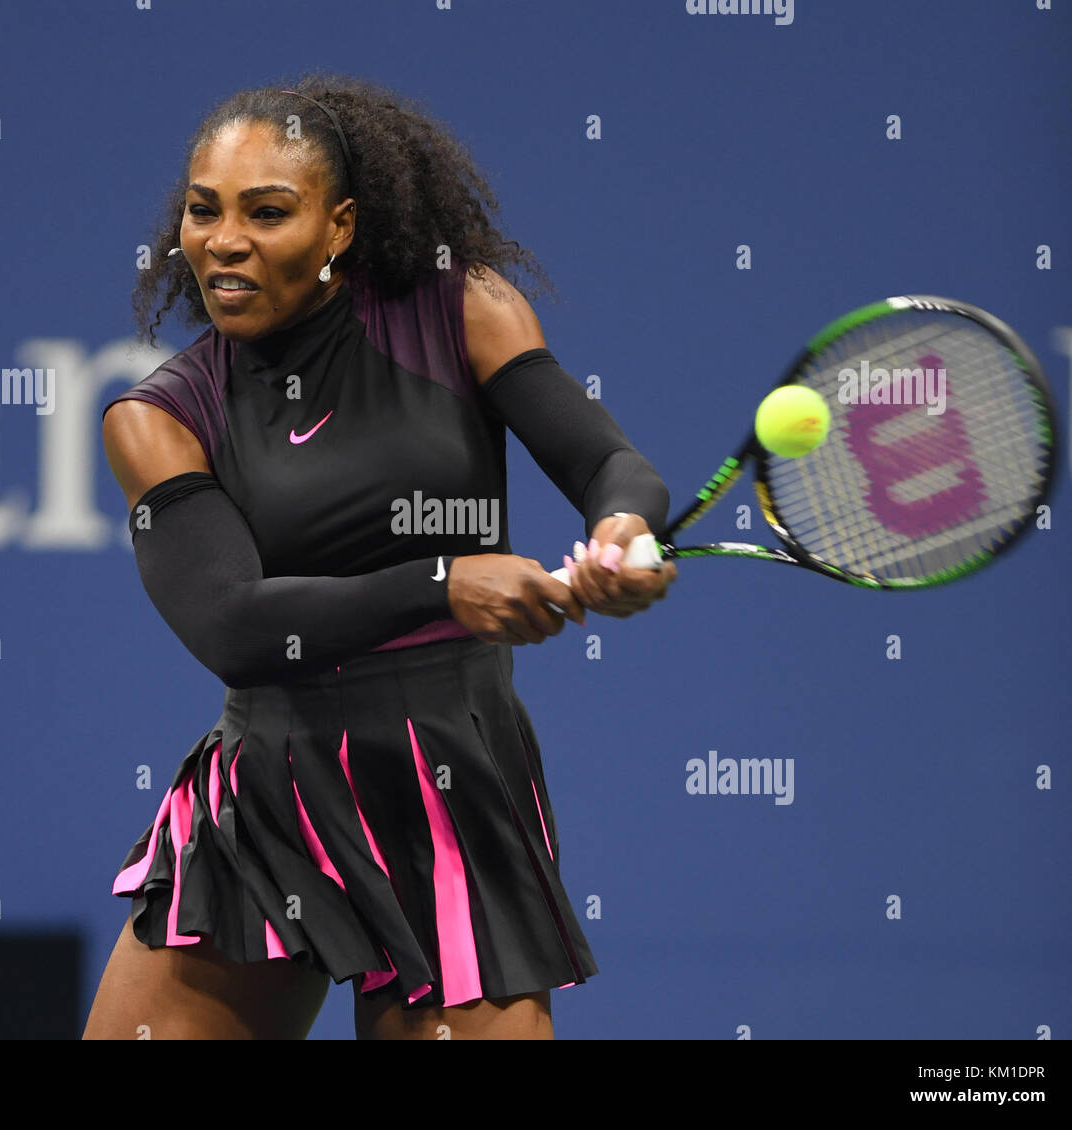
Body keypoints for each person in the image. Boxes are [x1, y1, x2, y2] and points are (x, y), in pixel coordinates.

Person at [82, 74, 677, 1041]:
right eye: (203, 211)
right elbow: (235, 625)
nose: (223, 240)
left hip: (450, 790)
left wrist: (623, 531)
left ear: (341, 226)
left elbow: (608, 462)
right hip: (266, 799)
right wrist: (445, 582)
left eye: (266, 212)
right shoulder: (157, 418)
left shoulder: (463, 311)